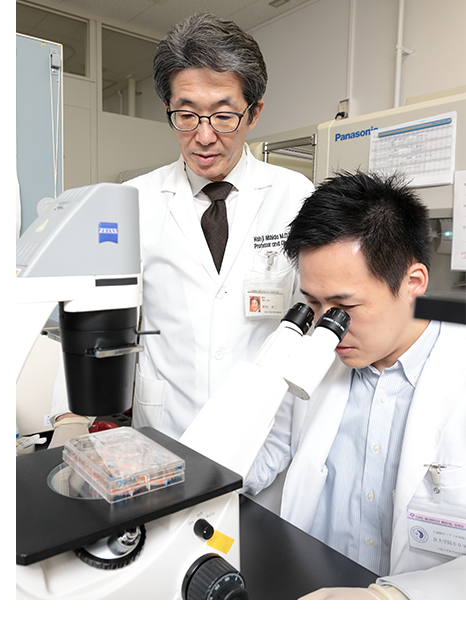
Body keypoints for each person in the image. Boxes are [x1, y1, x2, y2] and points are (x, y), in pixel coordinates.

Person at [48, 13, 314, 446]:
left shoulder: (296, 196)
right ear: (168, 110)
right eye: (186, 115)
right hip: (165, 430)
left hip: (264, 431)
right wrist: (70, 416)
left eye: (223, 116)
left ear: (254, 113)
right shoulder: (131, 201)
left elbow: (316, 316)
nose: (204, 137)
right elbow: (95, 310)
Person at [245, 170, 466, 600]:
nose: (327, 326)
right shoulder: (319, 359)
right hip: (309, 590)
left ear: (413, 283)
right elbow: (268, 449)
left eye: (343, 306)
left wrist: (390, 601)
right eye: (313, 304)